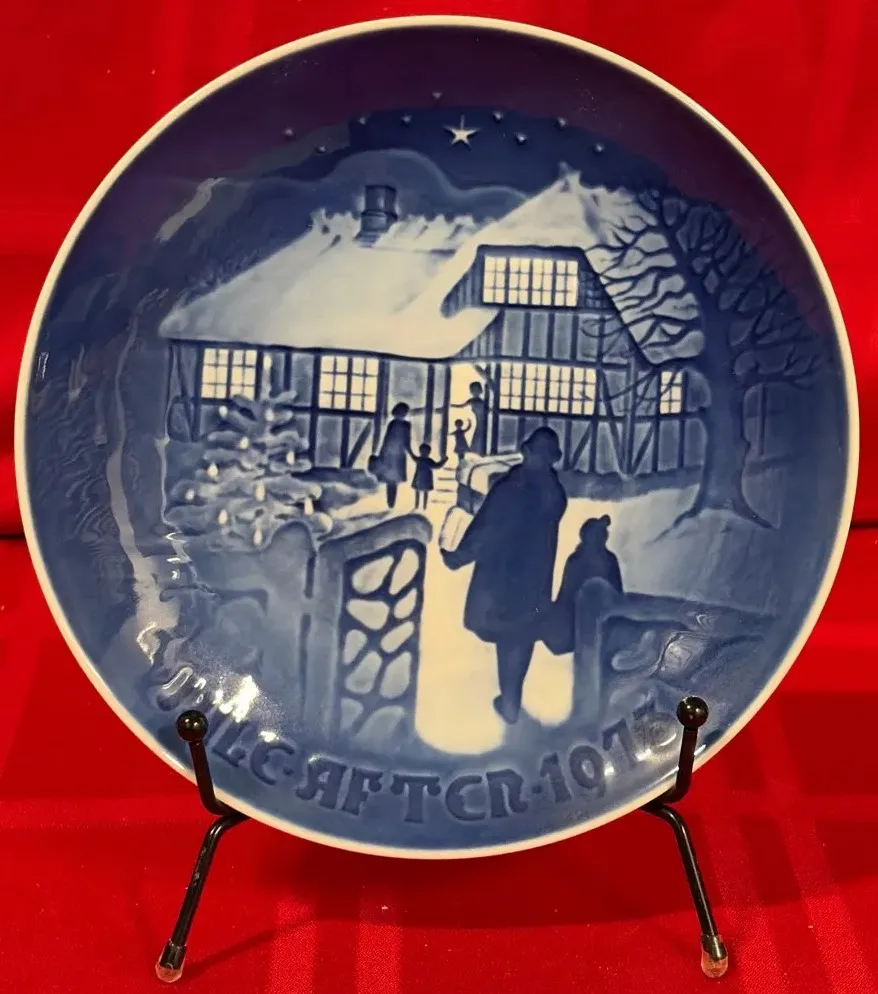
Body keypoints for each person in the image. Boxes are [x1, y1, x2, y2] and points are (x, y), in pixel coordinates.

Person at [440, 426, 567, 724]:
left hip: (503, 576)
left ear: (528, 451)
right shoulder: (553, 490)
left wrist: (458, 556)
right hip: (536, 578)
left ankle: (510, 702)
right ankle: (511, 699)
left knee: (509, 635)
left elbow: (487, 530)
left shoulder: (513, 489)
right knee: (521, 636)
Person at [543, 515, 623, 655]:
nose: (602, 536)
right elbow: (567, 593)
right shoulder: (576, 560)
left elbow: (617, 591)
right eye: (598, 533)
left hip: (604, 615)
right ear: (587, 536)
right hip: (578, 615)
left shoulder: (610, 559)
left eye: (602, 533)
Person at [372, 402, 414, 508]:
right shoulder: (403, 425)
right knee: (392, 480)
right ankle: (391, 503)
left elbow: (391, 440)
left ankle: (390, 503)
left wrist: (382, 454)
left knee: (391, 480)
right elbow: (404, 442)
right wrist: (412, 454)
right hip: (394, 454)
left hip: (393, 454)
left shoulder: (396, 424)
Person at [412, 442, 448, 510]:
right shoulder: (428, 461)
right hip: (425, 480)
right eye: (423, 451)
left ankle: (418, 506)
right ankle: (422, 507)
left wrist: (444, 460)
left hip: (418, 480)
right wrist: (444, 461)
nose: (424, 453)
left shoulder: (419, 459)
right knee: (424, 492)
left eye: (425, 451)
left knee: (418, 492)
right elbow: (437, 466)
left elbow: (412, 456)